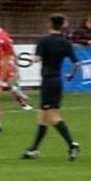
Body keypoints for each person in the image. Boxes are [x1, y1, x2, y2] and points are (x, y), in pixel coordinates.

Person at [22, 14, 81, 160]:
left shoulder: (44, 41)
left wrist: (28, 59)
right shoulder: (66, 43)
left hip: (47, 82)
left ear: (50, 25)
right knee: (42, 116)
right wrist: (70, 76)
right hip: (57, 81)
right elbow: (76, 63)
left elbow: (37, 59)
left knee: (52, 117)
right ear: (62, 25)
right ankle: (34, 149)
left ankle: (72, 144)